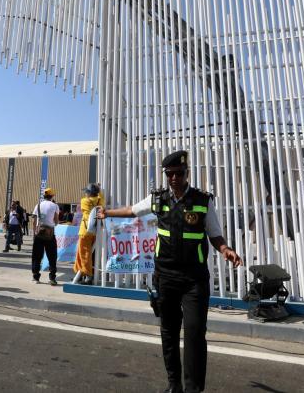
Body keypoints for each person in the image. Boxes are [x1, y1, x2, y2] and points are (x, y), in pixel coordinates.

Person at [98, 150, 242, 393]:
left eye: (179, 173)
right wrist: (107, 213)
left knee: (195, 332)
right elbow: (132, 210)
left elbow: (215, 233)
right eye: (170, 174)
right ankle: (174, 385)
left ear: (187, 173)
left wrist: (225, 249)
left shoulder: (203, 200)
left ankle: (193, 389)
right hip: (165, 277)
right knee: (169, 332)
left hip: (194, 280)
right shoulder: (158, 199)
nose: (174, 178)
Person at [73, 183, 104, 285]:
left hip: (85, 231)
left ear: (89, 193)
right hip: (95, 230)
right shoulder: (99, 201)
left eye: (86, 192)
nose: (85, 193)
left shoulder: (84, 201)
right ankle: (79, 273)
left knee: (84, 254)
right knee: (82, 253)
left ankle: (88, 276)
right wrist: (99, 190)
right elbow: (101, 197)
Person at [31, 187, 59, 285]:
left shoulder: (38, 205)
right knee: (52, 256)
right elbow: (56, 221)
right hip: (50, 234)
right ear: (52, 196)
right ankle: (52, 278)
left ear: (44, 196)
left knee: (37, 256)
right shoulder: (55, 206)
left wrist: (34, 234)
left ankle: (36, 277)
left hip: (39, 233)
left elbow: (34, 222)